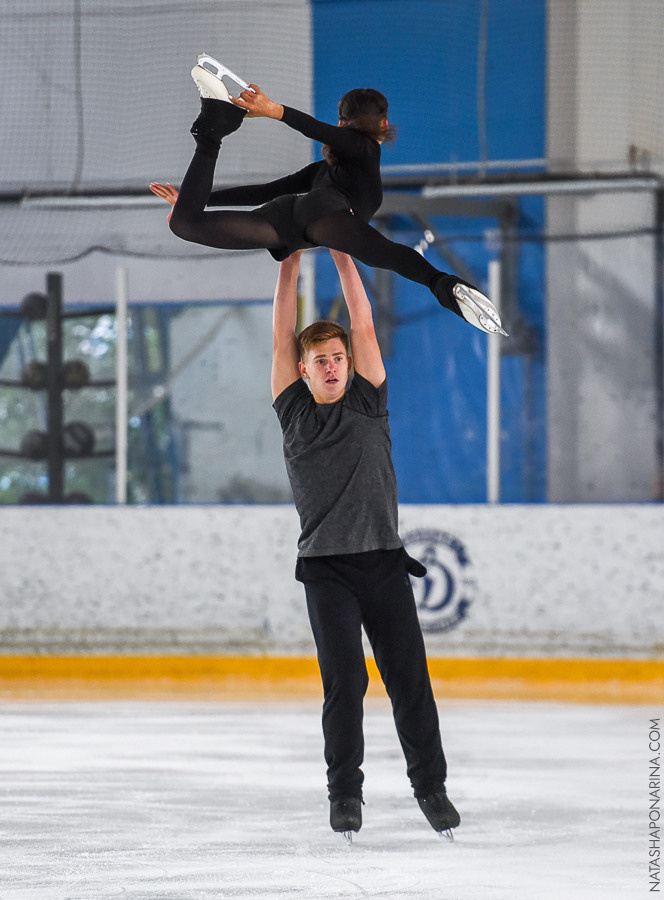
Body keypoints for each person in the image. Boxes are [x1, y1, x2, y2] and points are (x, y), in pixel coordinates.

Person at [269, 245, 461, 839]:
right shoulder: (293, 411)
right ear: (303, 370)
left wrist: (342, 249)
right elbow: (279, 338)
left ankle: (431, 789)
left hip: (382, 563)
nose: (330, 366)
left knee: (409, 680)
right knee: (345, 683)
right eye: (319, 360)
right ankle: (344, 796)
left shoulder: (368, 399)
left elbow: (364, 321)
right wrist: (288, 261)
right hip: (326, 571)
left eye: (337, 358)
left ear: (349, 363)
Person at [150, 55, 506, 337]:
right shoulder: (365, 149)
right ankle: (441, 284)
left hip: (289, 219)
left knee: (185, 223)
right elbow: (313, 141)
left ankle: (212, 128)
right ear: (383, 126)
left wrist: (195, 201)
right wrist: (274, 111)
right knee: (384, 253)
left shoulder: (332, 165)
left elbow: (269, 191)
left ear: (340, 123)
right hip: (326, 218)